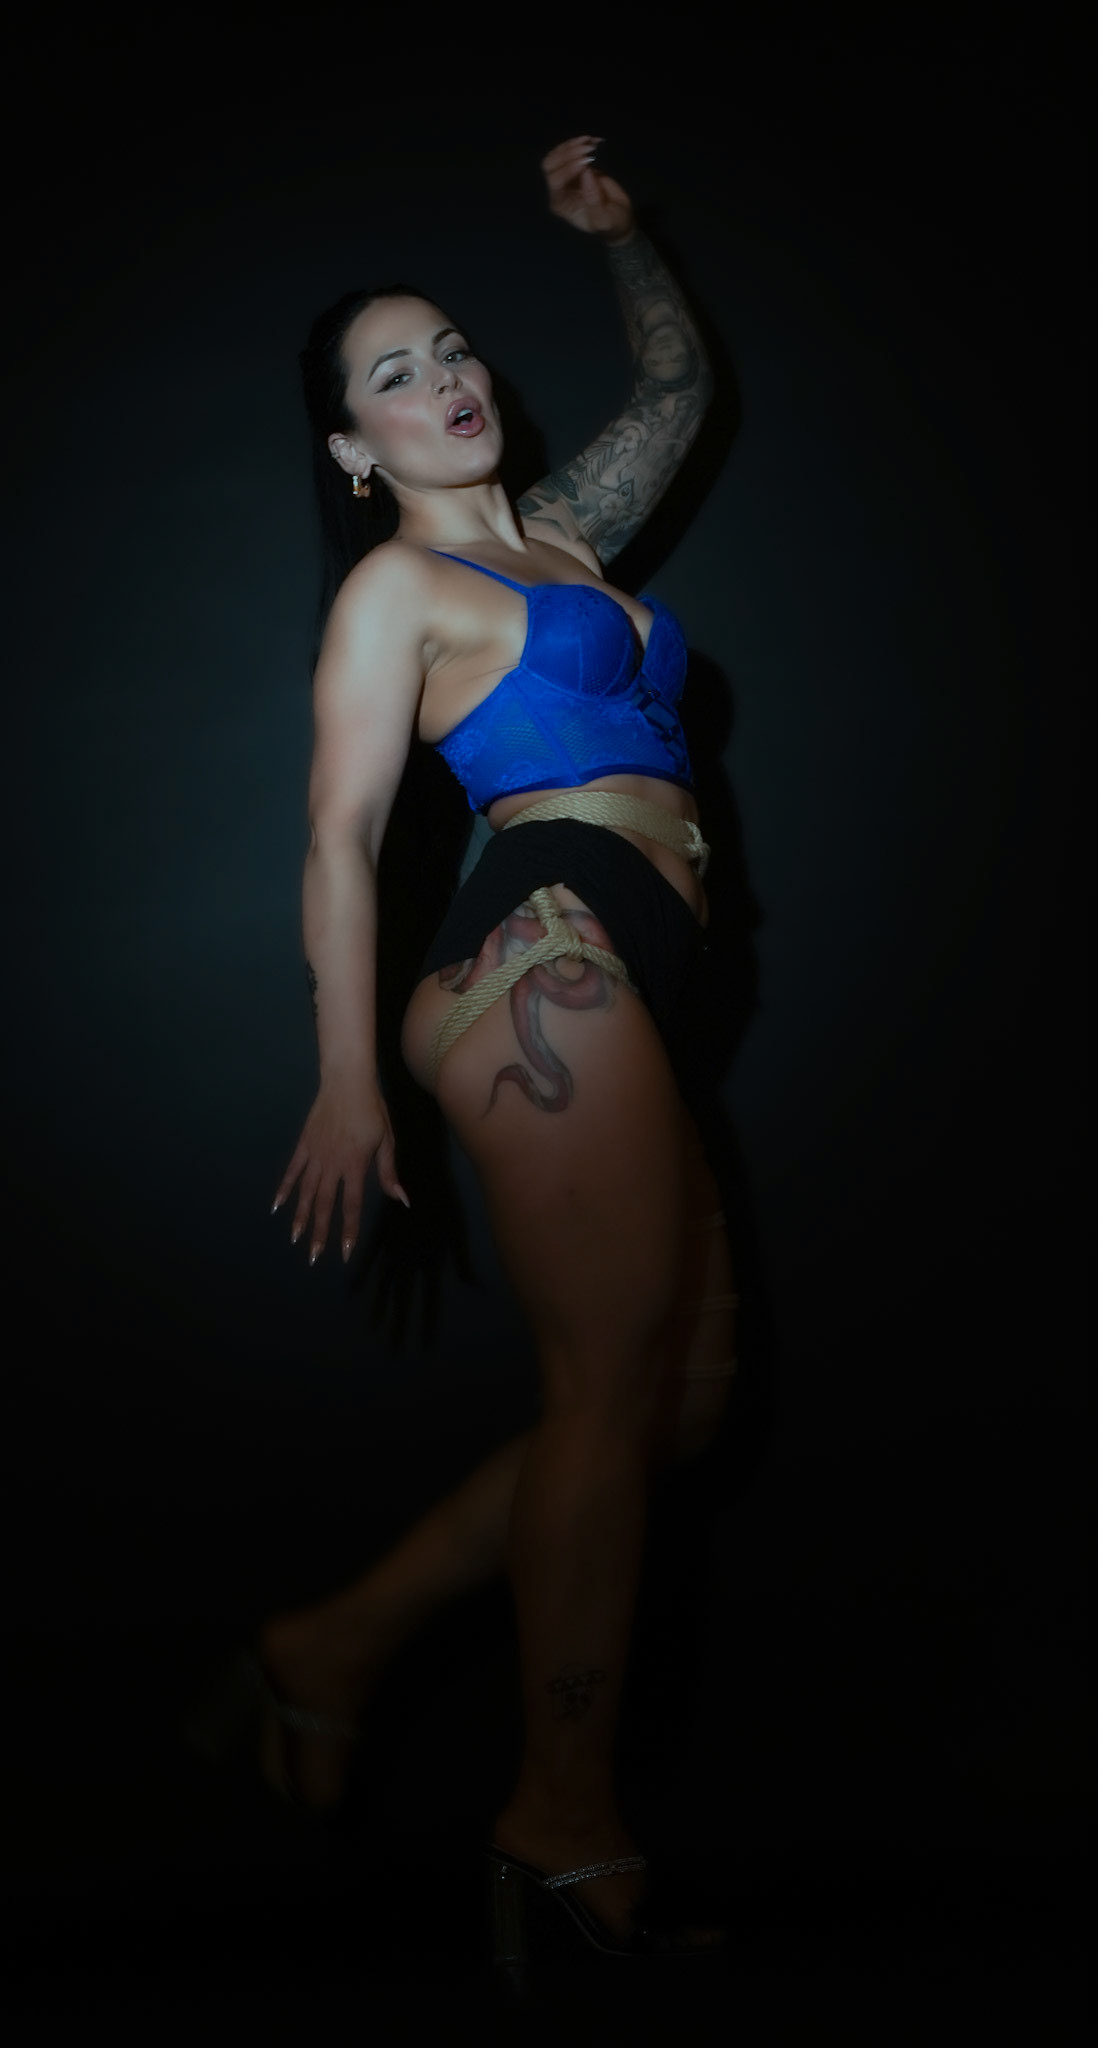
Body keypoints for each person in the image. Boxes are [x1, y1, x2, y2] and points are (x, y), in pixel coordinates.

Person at [261, 137, 736, 1958]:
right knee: (612, 1390)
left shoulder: (564, 536)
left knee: (677, 1399)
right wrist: (346, 1079)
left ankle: (333, 1645)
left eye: (451, 346)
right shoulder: (397, 592)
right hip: (543, 954)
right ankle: (558, 1811)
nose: (444, 378)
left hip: (638, 963)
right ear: (353, 446)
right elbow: (337, 833)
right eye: (395, 373)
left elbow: (678, 394)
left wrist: (623, 241)